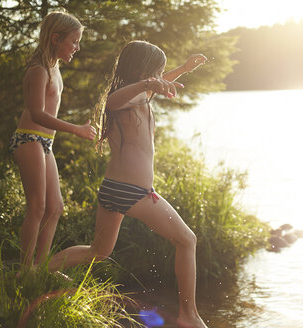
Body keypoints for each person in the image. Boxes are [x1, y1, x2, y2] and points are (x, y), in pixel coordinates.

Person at [48, 40, 208, 328]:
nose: (159, 78)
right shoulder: (124, 99)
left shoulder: (140, 96)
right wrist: (151, 84)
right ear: (143, 70)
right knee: (187, 240)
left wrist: (183, 69)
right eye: (155, 72)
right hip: (131, 192)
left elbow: (149, 88)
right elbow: (114, 101)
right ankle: (189, 316)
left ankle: (41, 269)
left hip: (114, 188)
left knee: (98, 252)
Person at [9, 11, 96, 268]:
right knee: (37, 207)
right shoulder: (38, 69)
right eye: (74, 41)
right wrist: (76, 129)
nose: (77, 48)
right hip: (28, 138)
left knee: (55, 207)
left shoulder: (55, 68)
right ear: (56, 38)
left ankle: (40, 268)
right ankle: (26, 273)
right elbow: (37, 114)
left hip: (44, 142)